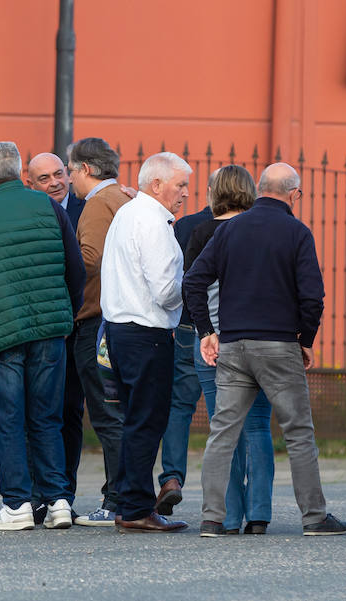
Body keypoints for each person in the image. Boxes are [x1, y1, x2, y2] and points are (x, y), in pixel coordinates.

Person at [188, 162, 346, 537]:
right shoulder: (296, 231)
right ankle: (314, 517)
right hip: (279, 345)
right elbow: (313, 296)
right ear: (294, 194)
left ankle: (213, 518)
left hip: (233, 346)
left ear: (260, 188)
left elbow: (195, 280)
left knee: (223, 432)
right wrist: (305, 340)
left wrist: (207, 331)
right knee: (297, 432)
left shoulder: (229, 230)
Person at [0, 141, 85, 531]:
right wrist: (66, 311)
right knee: (47, 417)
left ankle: (17, 504)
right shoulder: (49, 208)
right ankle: (58, 501)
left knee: (8, 420)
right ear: (20, 170)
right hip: (50, 330)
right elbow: (75, 269)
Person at [100, 152, 192, 533]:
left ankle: (127, 502)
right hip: (146, 333)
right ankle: (136, 507)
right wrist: (194, 282)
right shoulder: (153, 222)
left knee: (133, 420)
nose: (186, 192)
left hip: (119, 329)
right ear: (157, 184)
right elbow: (166, 291)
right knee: (146, 421)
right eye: (181, 184)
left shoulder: (126, 214)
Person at [182, 165, 273, 534]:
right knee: (257, 426)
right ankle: (260, 514)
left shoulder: (202, 231)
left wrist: (206, 330)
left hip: (211, 341)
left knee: (224, 428)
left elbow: (192, 288)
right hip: (260, 338)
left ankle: (229, 515)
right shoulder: (263, 230)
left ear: (214, 192)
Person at [67, 137, 131, 526]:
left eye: (71, 170)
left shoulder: (95, 206)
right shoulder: (127, 202)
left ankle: (116, 499)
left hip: (95, 321)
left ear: (86, 169)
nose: (69, 178)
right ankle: (130, 494)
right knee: (122, 412)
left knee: (107, 416)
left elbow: (88, 261)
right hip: (125, 322)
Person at [26, 151, 84, 522]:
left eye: (59, 173)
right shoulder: (29, 210)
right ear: (31, 183)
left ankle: (64, 490)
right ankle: (38, 494)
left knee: (68, 413)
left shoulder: (88, 207)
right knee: (35, 413)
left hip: (75, 326)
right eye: (44, 178)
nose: (54, 182)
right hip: (36, 329)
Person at [156, 178, 214, 517]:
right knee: (236, 410)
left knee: (180, 405)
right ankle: (236, 494)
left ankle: (172, 478)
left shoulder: (186, 226)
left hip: (189, 324)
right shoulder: (244, 227)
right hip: (233, 329)